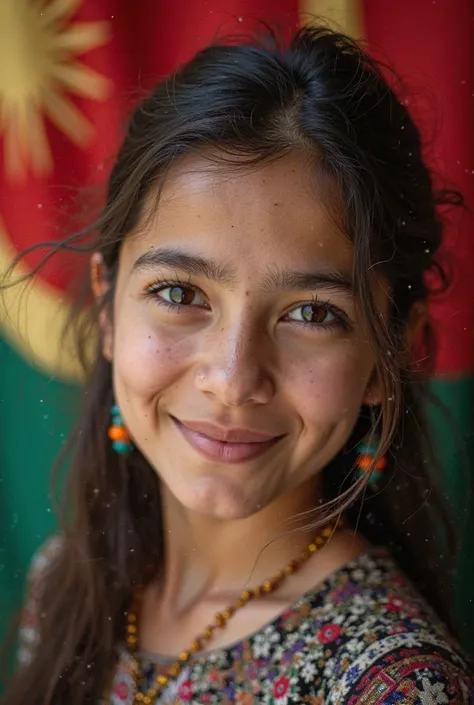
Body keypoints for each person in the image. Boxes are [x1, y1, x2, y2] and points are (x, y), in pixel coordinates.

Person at [3, 24, 473, 705]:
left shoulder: (388, 685)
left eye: (312, 313)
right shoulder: (68, 585)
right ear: (108, 310)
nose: (230, 379)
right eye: (179, 294)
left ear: (389, 356)